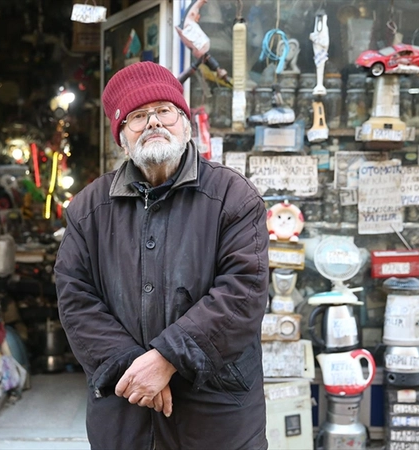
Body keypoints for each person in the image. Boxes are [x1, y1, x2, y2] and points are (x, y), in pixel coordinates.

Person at [55, 61, 269, 450]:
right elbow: (75, 299)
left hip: (216, 416)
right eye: (137, 116)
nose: (153, 122)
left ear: (185, 123)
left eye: (164, 111)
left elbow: (243, 292)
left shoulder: (233, 197)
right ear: (122, 138)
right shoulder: (88, 209)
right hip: (125, 412)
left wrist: (167, 359)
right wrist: (135, 369)